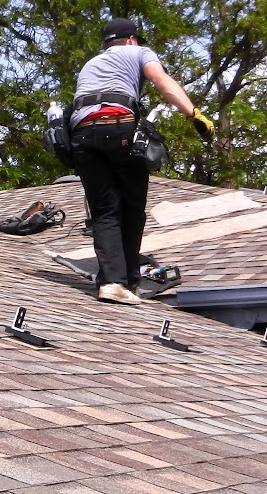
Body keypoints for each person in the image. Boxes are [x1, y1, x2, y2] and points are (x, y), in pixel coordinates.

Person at [72, 16, 214, 305]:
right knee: (133, 208)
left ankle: (112, 282)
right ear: (131, 39)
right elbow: (162, 82)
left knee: (104, 211)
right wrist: (193, 114)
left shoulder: (90, 64)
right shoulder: (139, 52)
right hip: (119, 124)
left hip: (81, 134)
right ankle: (129, 283)